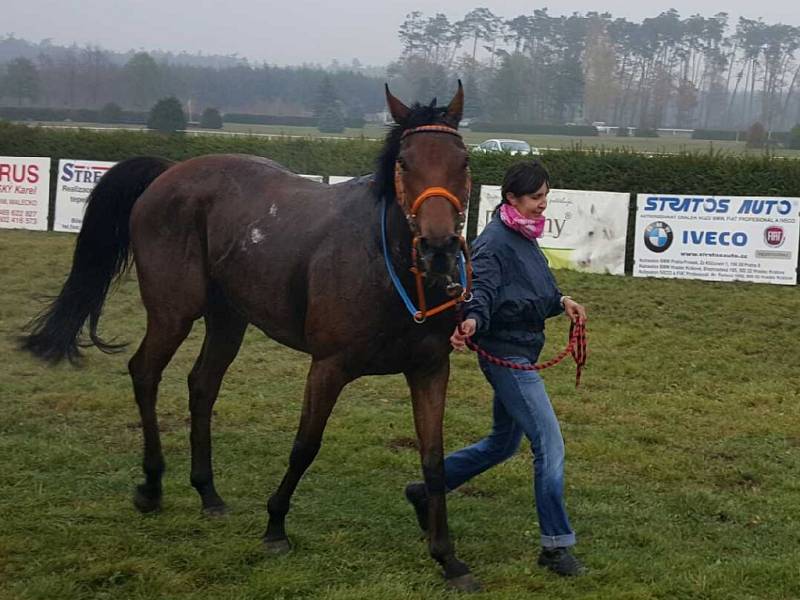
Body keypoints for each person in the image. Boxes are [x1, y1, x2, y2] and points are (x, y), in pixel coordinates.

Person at [405, 160, 588, 577]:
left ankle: (427, 490)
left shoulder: (522, 235)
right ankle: (555, 546)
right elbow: (482, 292)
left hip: (522, 348)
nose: (544, 205)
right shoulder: (494, 242)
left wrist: (562, 302)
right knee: (549, 443)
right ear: (512, 199)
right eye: (536, 198)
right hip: (509, 358)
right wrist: (472, 321)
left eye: (545, 197)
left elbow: (533, 288)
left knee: (502, 444)